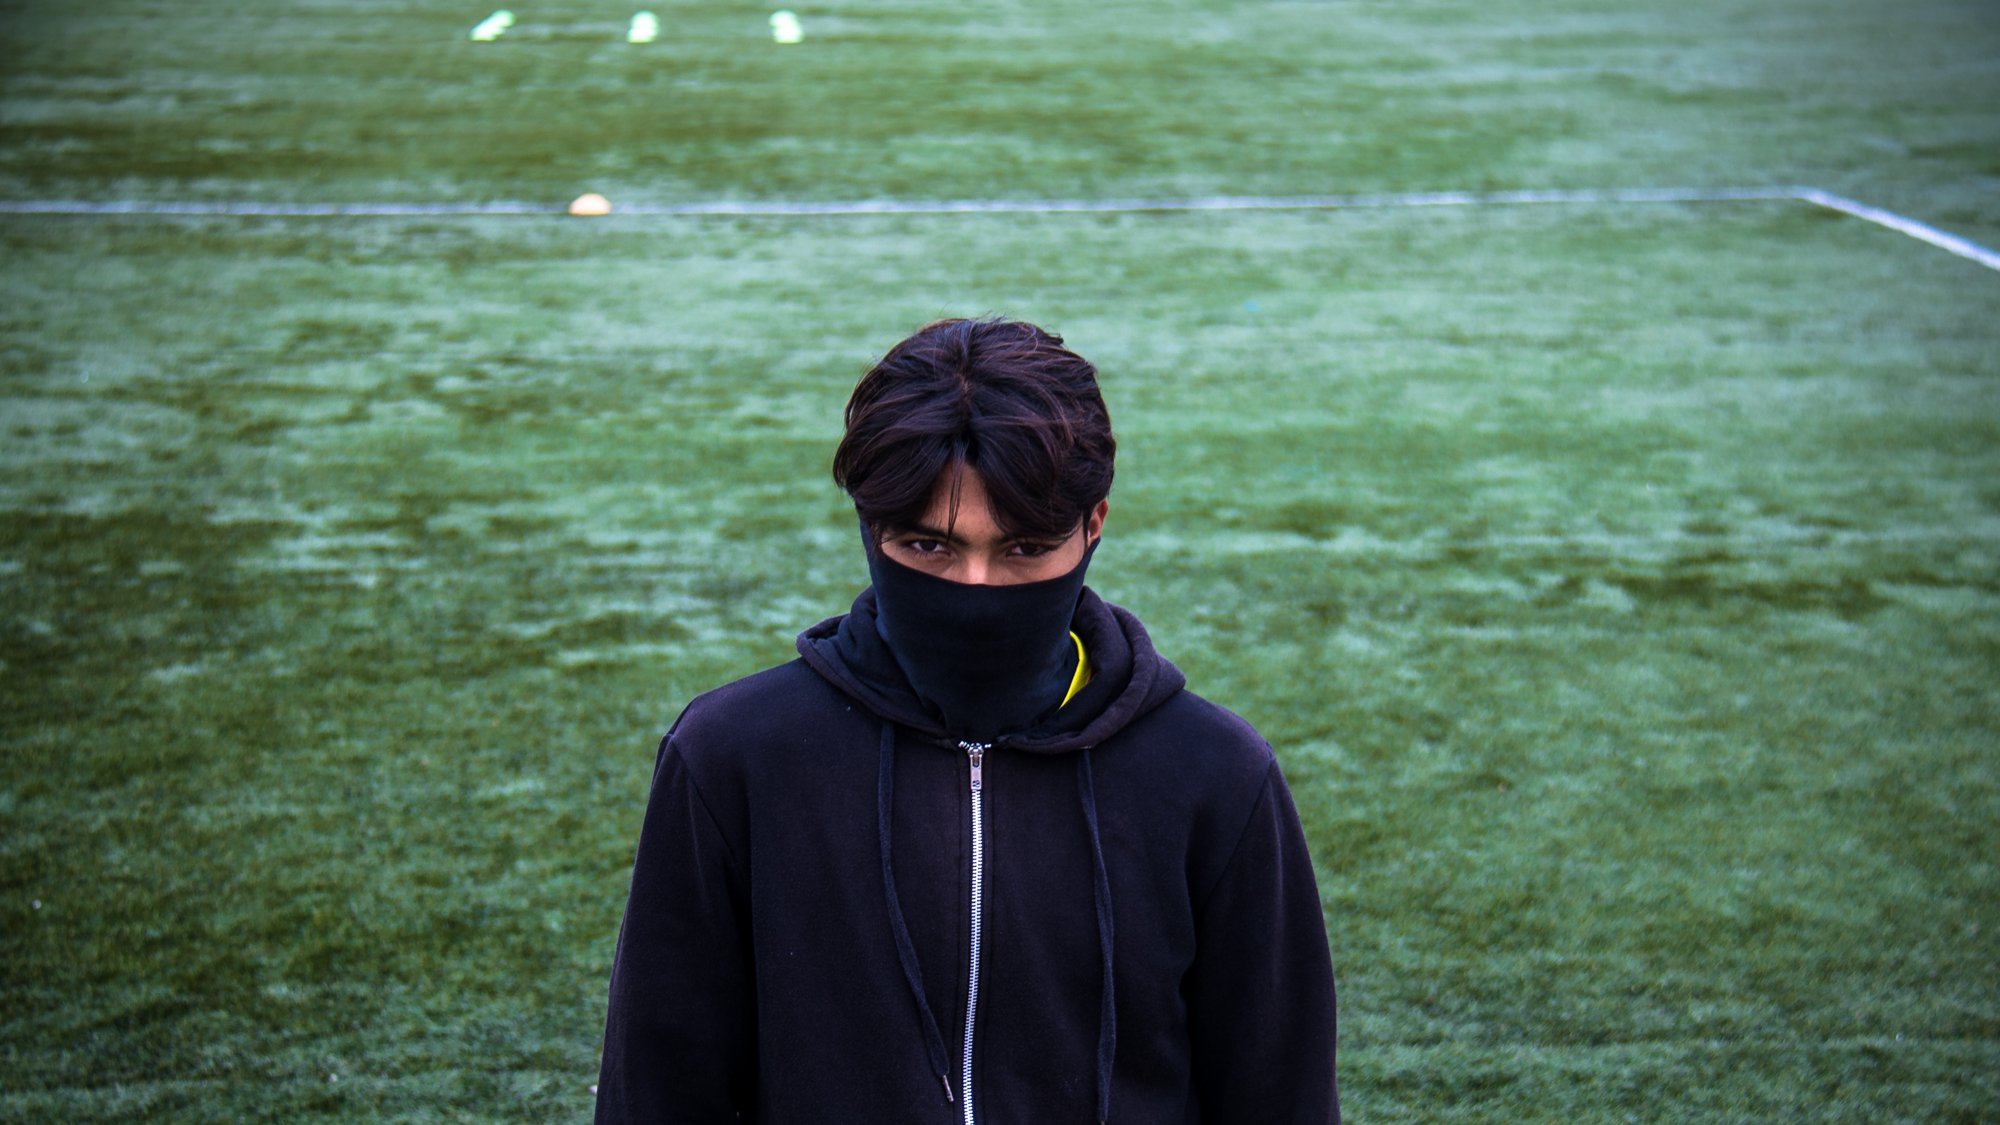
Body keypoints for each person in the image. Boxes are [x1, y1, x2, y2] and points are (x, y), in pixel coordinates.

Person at [594, 318, 1339, 1123]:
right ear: (868, 529)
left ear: (1095, 524)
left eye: (1024, 550)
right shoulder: (733, 757)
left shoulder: (1214, 773)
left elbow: (1280, 1091)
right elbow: (661, 1088)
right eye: (928, 546)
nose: (975, 587)